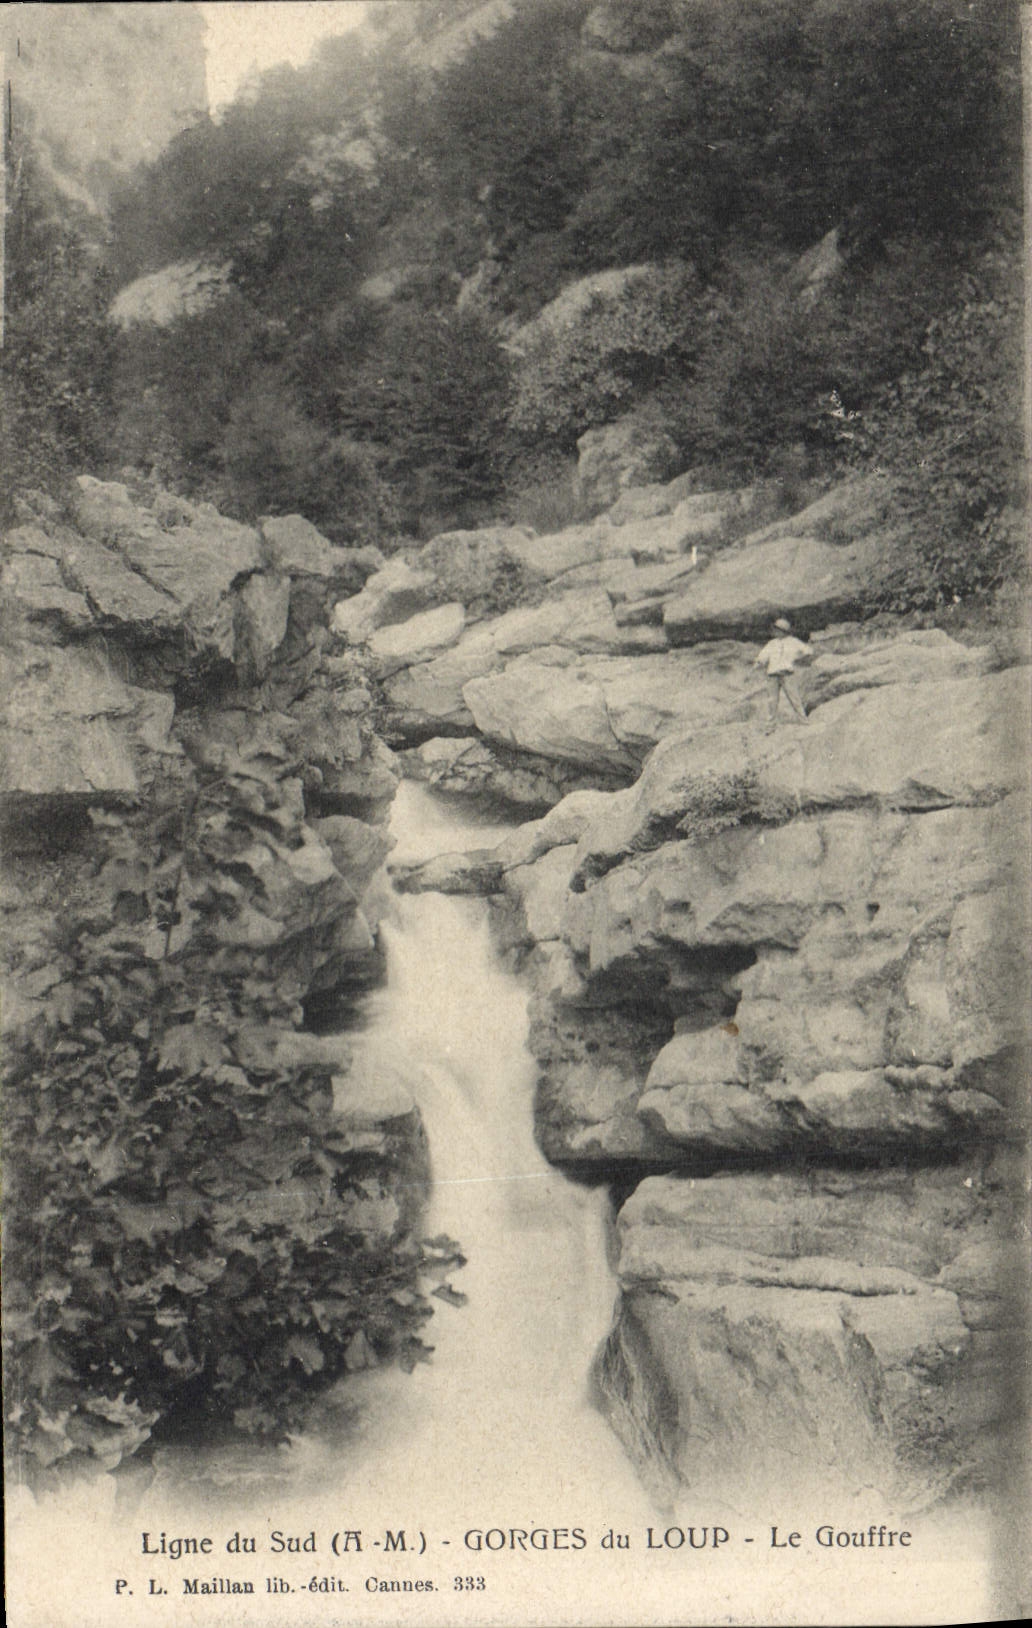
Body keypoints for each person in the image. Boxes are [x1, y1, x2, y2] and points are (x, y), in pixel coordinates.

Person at [754, 617, 811, 732]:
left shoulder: (793, 641)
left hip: (787, 674)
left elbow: (808, 651)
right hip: (772, 676)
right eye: (775, 629)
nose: (775, 631)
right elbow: (762, 657)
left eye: (777, 629)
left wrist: (796, 658)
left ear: (783, 631)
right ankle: (770, 727)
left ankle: (804, 720)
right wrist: (757, 665)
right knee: (772, 701)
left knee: (794, 698)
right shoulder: (772, 643)